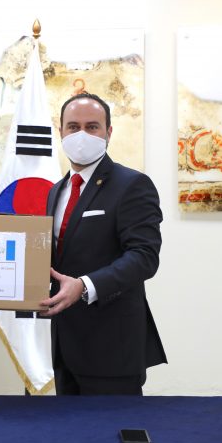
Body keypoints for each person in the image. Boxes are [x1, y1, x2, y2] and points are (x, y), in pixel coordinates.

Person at [40, 93, 167, 395]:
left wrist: (85, 286)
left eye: (92, 126)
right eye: (73, 127)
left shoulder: (132, 184)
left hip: (113, 347)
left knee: (114, 426)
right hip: (65, 346)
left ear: (108, 132)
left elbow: (144, 257)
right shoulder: (56, 191)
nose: (81, 135)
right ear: (60, 132)